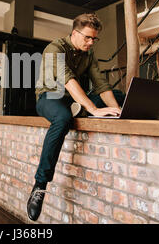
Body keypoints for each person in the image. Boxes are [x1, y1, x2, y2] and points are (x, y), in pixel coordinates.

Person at [27, 13, 125, 221]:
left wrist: (117, 111)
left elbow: (101, 85)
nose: (91, 42)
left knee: (117, 96)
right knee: (63, 118)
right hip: (50, 97)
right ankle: (40, 186)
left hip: (75, 101)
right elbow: (69, 81)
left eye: (94, 39)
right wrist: (95, 110)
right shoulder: (55, 49)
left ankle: (83, 109)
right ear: (74, 33)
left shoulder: (88, 56)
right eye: (87, 38)